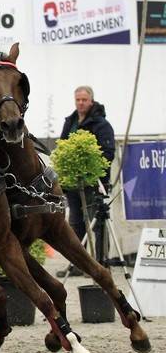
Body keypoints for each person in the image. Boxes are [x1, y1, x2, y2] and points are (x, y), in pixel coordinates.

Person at [56, 85, 115, 277]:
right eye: (78, 100)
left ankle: (100, 265)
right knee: (75, 224)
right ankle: (78, 265)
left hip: (93, 183)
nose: (80, 103)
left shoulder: (101, 124)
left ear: (91, 101)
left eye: (84, 100)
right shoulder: (70, 121)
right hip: (73, 183)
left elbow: (107, 154)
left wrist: (92, 174)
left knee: (96, 223)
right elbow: (62, 148)